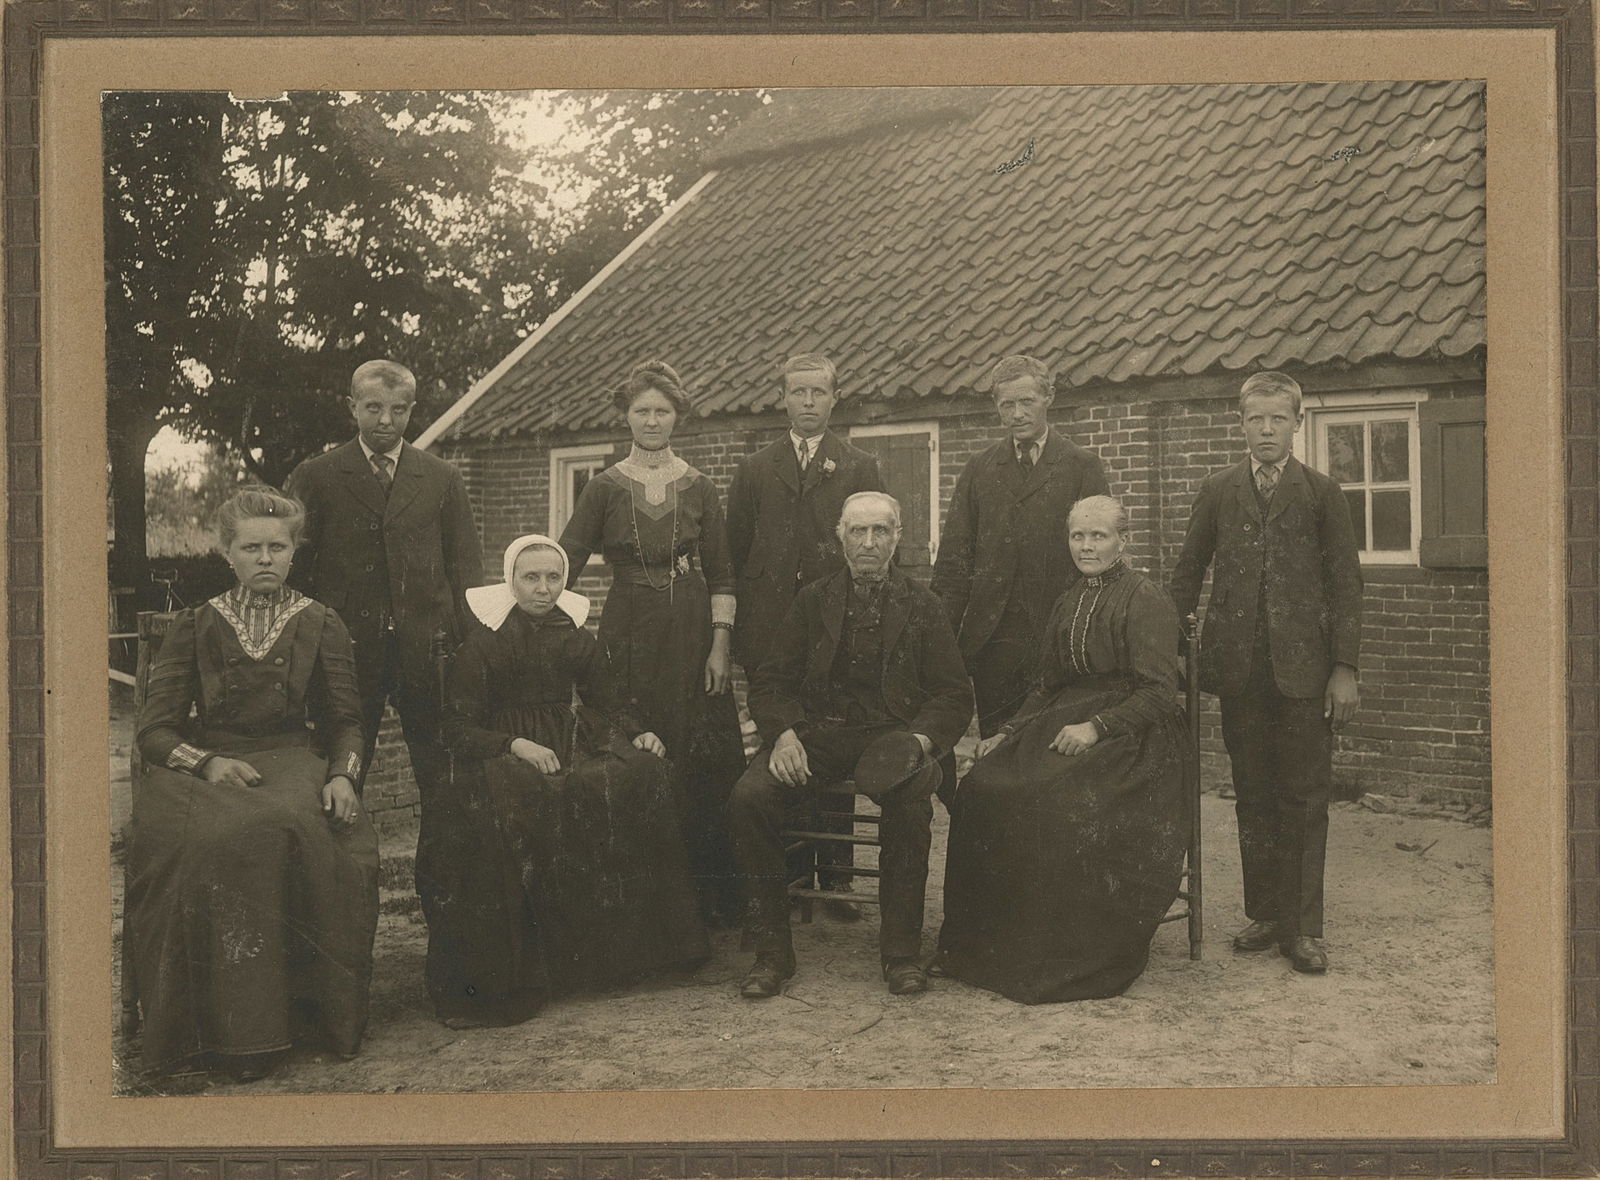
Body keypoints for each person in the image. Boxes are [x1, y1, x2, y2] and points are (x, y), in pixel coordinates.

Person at [126, 486, 378, 1083]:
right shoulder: (196, 624)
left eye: (277, 547)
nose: (265, 558)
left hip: (290, 758)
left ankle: (299, 1019)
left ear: (294, 553)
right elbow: (154, 731)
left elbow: (346, 720)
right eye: (251, 548)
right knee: (209, 841)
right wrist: (206, 763)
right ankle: (208, 1030)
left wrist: (344, 775)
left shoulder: (320, 622)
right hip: (206, 766)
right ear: (228, 554)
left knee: (295, 827)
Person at [434, 535, 710, 1027]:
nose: (543, 589)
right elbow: (456, 727)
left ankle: (632, 956)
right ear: (511, 580)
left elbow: (608, 699)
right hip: (505, 751)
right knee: (528, 796)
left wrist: (639, 732)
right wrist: (514, 745)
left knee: (644, 776)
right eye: (531, 578)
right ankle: (526, 972)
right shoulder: (483, 642)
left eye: (553, 578)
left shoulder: (577, 636)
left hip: (568, 740)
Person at [935, 495, 1190, 1003]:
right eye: (1078, 536)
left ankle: (1062, 953)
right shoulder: (1069, 598)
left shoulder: (1146, 598)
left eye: (1098, 536)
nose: (1087, 545)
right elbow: (1048, 684)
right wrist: (1008, 732)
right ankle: (986, 946)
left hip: (1134, 739)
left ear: (1123, 540)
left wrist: (1096, 726)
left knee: (1053, 802)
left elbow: (1161, 692)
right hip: (1062, 721)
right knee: (982, 787)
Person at [285, 358, 483, 1007]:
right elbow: (295, 574)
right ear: (351, 406)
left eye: (398, 410)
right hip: (346, 664)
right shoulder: (317, 476)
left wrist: (463, 648)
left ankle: (452, 962)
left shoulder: (441, 477)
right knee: (339, 792)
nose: (386, 421)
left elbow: (466, 572)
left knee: (446, 796)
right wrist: (313, 650)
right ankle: (335, 964)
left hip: (430, 661)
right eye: (374, 408)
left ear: (412, 411)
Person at [728, 492, 974, 999]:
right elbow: (771, 681)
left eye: (880, 531)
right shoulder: (812, 600)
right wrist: (784, 734)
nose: (869, 543)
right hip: (816, 735)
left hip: (893, 735)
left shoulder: (923, 604)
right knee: (749, 798)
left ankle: (901, 954)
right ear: (839, 537)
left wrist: (919, 741)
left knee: (910, 802)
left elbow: (953, 693)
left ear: (897, 537)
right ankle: (772, 954)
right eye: (858, 532)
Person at [1169, 371, 1363, 974]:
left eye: (1278, 418)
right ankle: (1266, 912)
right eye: (1256, 419)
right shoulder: (1218, 488)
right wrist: (1176, 649)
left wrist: (1345, 668)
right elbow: (1186, 571)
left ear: (1298, 423)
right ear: (1242, 423)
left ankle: (1304, 928)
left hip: (1305, 674)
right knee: (1252, 791)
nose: (1266, 429)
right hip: (1238, 672)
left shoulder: (1323, 493)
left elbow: (1346, 586)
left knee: (1304, 795)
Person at [559, 359, 748, 926]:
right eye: (641, 410)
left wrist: (720, 646)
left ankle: (713, 902)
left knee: (701, 753)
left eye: (661, 411)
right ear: (626, 416)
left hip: (691, 627)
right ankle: (651, 906)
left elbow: (723, 574)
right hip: (629, 625)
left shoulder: (699, 486)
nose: (651, 420)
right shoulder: (604, 487)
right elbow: (564, 559)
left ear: (677, 417)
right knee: (639, 742)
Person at [725, 352, 885, 920]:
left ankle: (836, 876)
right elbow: (735, 549)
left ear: (834, 398)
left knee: (830, 731)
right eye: (798, 392)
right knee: (780, 738)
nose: (808, 402)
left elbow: (870, 546)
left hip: (834, 622)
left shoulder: (859, 464)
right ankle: (792, 875)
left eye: (818, 392)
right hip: (770, 625)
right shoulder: (755, 468)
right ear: (784, 398)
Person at [931, 354, 1110, 739]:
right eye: (1006, 404)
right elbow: (953, 563)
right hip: (992, 641)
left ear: (1049, 398)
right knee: (998, 746)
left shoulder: (1081, 467)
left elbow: (1100, 558)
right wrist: (941, 638)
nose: (1017, 413)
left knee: (1052, 750)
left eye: (1026, 401)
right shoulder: (978, 469)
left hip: (1058, 636)